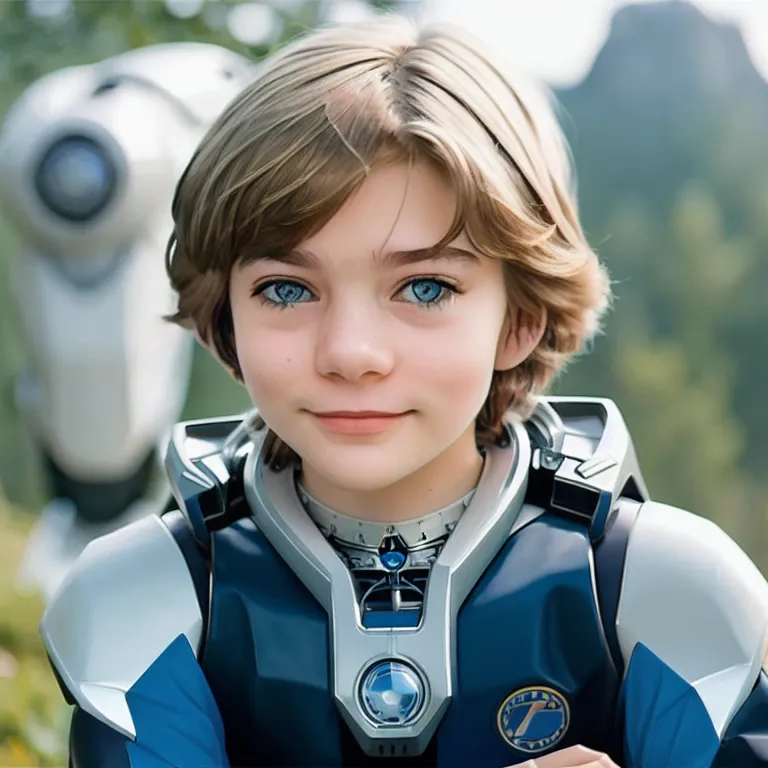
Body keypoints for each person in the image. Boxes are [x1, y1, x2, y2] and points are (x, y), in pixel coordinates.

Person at [40, 16, 768, 768]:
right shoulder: (148, 598)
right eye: (287, 289)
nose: (350, 353)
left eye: (425, 286)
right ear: (227, 314)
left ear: (519, 318)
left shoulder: (662, 587)